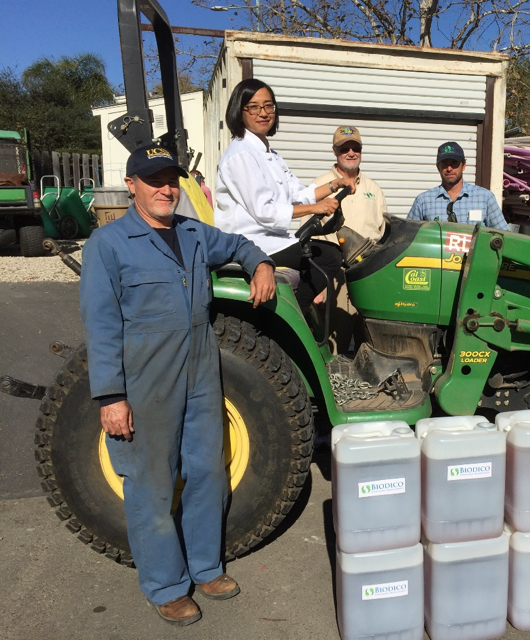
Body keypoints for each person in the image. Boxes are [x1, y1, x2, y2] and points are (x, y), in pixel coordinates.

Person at [80, 143, 277, 627]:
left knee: (208, 471)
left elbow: (238, 245)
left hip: (200, 374)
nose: (166, 188)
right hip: (146, 382)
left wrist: (262, 264)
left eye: (171, 179)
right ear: (132, 187)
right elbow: (100, 325)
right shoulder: (108, 245)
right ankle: (167, 586)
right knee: (150, 483)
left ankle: (206, 567)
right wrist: (111, 396)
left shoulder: (192, 233)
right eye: (154, 180)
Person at [214, 78, 356, 312]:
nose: (263, 113)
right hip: (250, 241)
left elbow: (299, 193)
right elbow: (266, 212)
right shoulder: (241, 154)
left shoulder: (270, 154)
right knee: (329, 257)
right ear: (240, 112)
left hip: (271, 238)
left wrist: (334, 185)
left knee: (329, 253)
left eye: (268, 106)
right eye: (254, 106)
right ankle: (293, 313)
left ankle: (297, 309)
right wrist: (316, 209)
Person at [313, 125, 387, 353]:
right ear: (335, 151)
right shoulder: (321, 185)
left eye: (356, 148)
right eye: (345, 148)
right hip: (335, 276)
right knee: (335, 343)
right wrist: (317, 284)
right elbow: (311, 239)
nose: (351, 152)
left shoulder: (373, 189)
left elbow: (383, 233)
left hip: (369, 275)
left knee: (372, 341)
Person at [407, 141, 509, 230]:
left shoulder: (485, 198)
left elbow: (503, 235)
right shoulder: (423, 201)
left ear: (463, 165)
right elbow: (408, 235)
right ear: (438, 167)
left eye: (454, 163)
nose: (449, 168)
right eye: (444, 164)